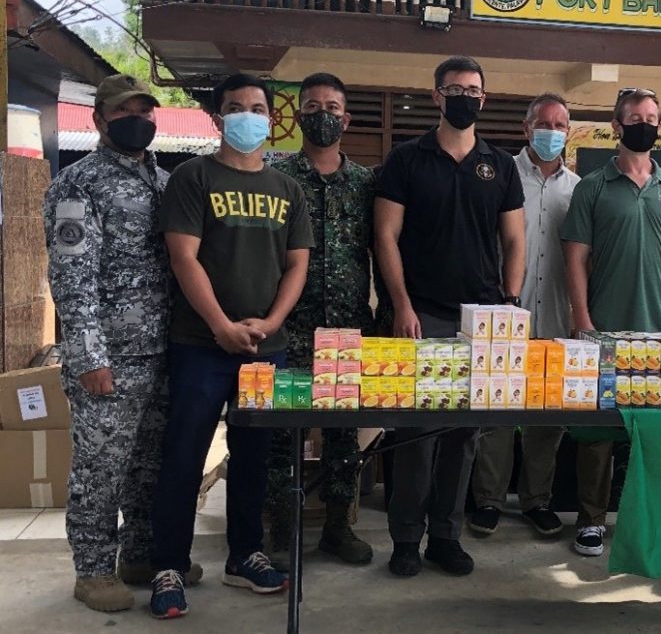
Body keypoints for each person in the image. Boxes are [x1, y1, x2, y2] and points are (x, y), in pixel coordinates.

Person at [148, 74, 313, 619]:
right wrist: (220, 325)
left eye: (257, 108)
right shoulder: (193, 177)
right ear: (218, 119)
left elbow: (297, 265)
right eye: (236, 107)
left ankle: (245, 555)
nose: (248, 116)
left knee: (254, 458)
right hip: (201, 344)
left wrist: (271, 322)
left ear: (272, 119)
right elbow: (184, 258)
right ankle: (169, 565)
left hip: (267, 348)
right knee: (185, 455)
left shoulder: (288, 189)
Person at [43, 75, 197, 613]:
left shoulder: (167, 181)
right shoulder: (78, 184)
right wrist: (89, 356)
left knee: (150, 465)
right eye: (125, 112)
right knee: (101, 468)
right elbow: (71, 278)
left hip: (164, 350)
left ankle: (140, 555)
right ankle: (92, 570)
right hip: (109, 355)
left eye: (145, 112)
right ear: (99, 119)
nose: (138, 120)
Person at [374, 56, 526, 577]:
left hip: (481, 318)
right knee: (416, 434)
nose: (465, 97)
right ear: (437, 95)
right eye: (455, 89)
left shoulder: (500, 165)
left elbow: (514, 239)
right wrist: (401, 305)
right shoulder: (406, 159)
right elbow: (386, 236)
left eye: (474, 90)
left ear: (484, 98)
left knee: (464, 435)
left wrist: (509, 302)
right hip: (422, 313)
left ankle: (446, 536)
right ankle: (405, 539)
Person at [561, 88, 661, 557]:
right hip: (603, 328)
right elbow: (575, 259)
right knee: (597, 432)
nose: (645, 125)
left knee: (655, 432)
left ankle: (650, 520)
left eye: (652, 118)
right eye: (635, 118)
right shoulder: (592, 187)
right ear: (616, 126)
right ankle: (591, 521)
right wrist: (582, 319)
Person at [266, 73, 375, 570]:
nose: (322, 115)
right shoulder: (277, 179)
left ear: (346, 119)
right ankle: (280, 529)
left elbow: (382, 248)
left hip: (348, 326)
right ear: (297, 117)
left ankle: (337, 527)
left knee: (343, 434)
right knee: (282, 431)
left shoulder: (366, 183)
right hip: (290, 323)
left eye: (332, 107)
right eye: (312, 107)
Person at [469, 93, 579, 539]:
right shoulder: (501, 175)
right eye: (543, 123)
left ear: (569, 132)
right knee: (496, 411)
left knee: (547, 415)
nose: (551, 132)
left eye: (559, 125)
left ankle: (537, 501)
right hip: (504, 313)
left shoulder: (578, 188)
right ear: (526, 128)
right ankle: (489, 500)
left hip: (556, 313)